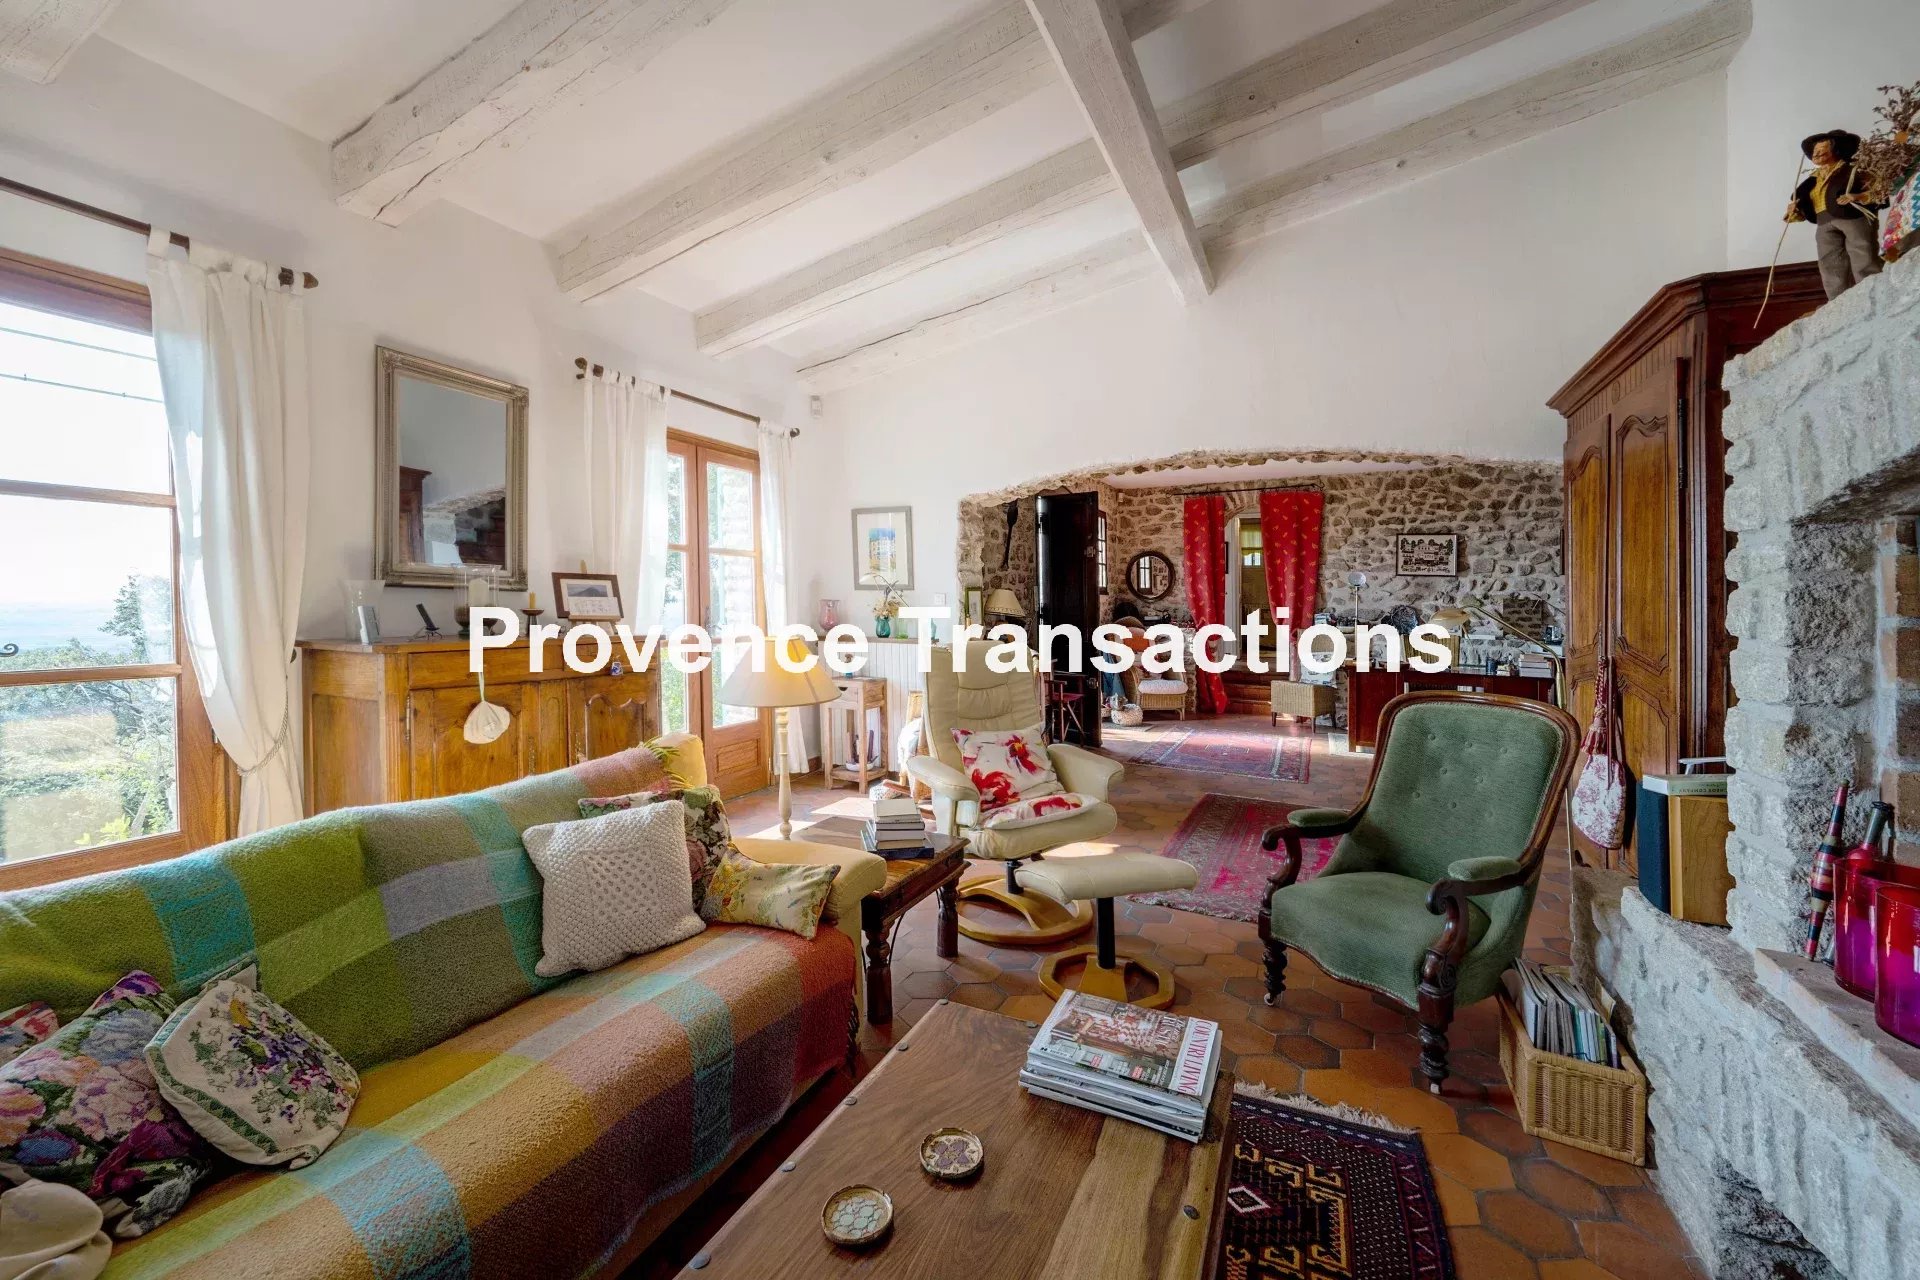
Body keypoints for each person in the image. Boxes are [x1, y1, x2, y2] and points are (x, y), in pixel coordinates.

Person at [1788, 130, 1885, 299]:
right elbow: (1804, 205)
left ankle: (1873, 292)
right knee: (1829, 261)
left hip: (1853, 217)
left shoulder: (1855, 170)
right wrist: (1795, 211)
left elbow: (1879, 192)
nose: (1816, 154)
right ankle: (1837, 300)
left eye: (1821, 149)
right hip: (1823, 221)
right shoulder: (1812, 180)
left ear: (1836, 150)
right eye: (1814, 150)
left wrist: (1858, 196)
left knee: (1861, 252)